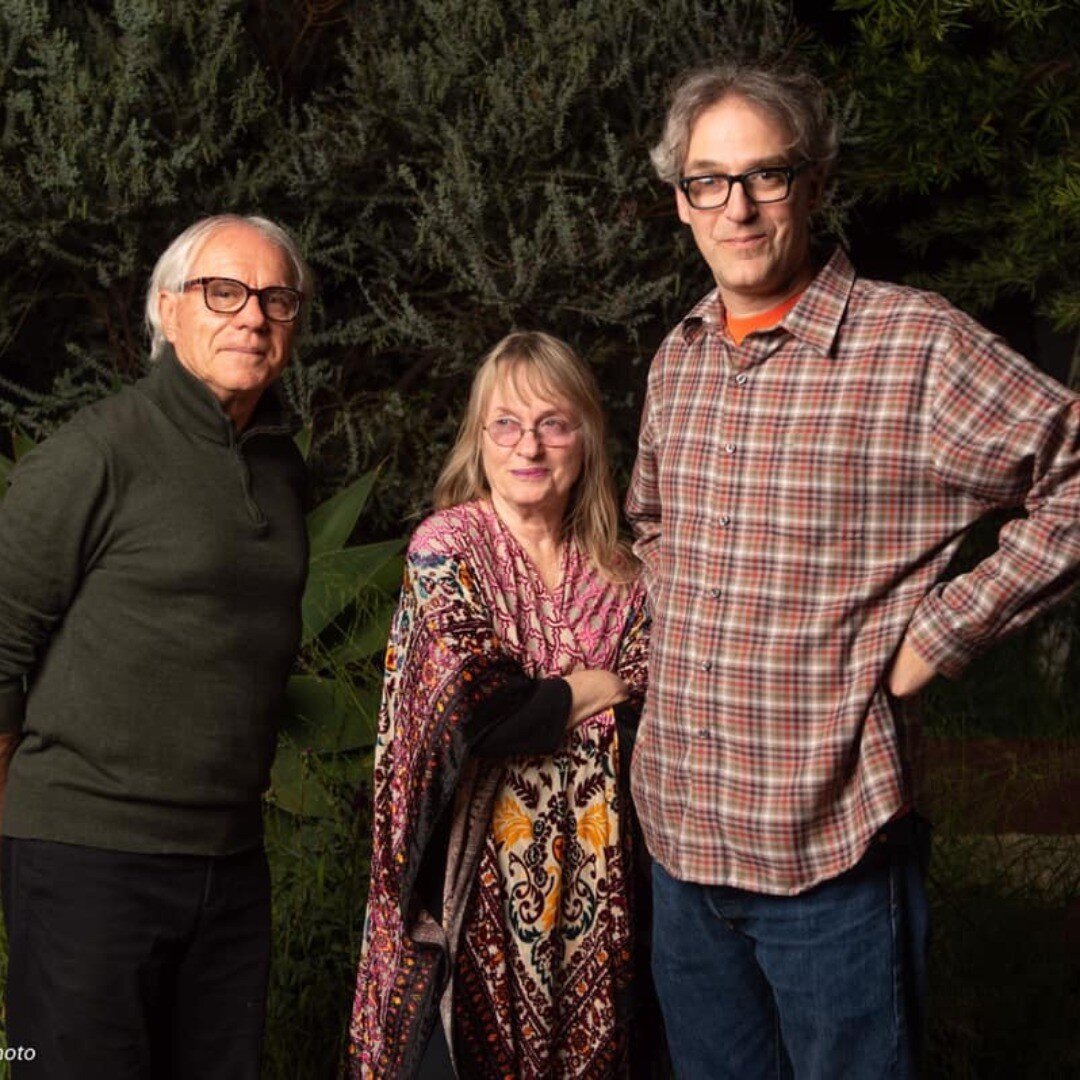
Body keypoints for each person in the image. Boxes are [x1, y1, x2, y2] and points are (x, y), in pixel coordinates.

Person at [626, 61, 1080, 1078]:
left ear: (815, 183)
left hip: (825, 849)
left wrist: (945, 630)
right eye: (709, 180)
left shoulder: (911, 344)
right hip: (681, 843)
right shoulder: (680, 357)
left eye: (767, 176)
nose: (737, 206)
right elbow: (652, 520)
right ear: (681, 203)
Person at [0, 214, 312, 1078]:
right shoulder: (94, 456)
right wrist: (25, 838)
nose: (251, 316)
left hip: (230, 865)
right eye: (223, 292)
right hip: (88, 862)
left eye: (274, 297)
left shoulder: (282, 467)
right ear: (167, 312)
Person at [348, 331, 651, 1078]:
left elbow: (653, 700)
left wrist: (548, 700)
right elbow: (478, 714)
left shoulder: (621, 569)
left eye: (553, 423)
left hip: (602, 905)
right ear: (478, 438)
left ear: (585, 436)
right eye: (505, 425)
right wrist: (589, 687)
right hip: (467, 901)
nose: (529, 447)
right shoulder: (449, 548)